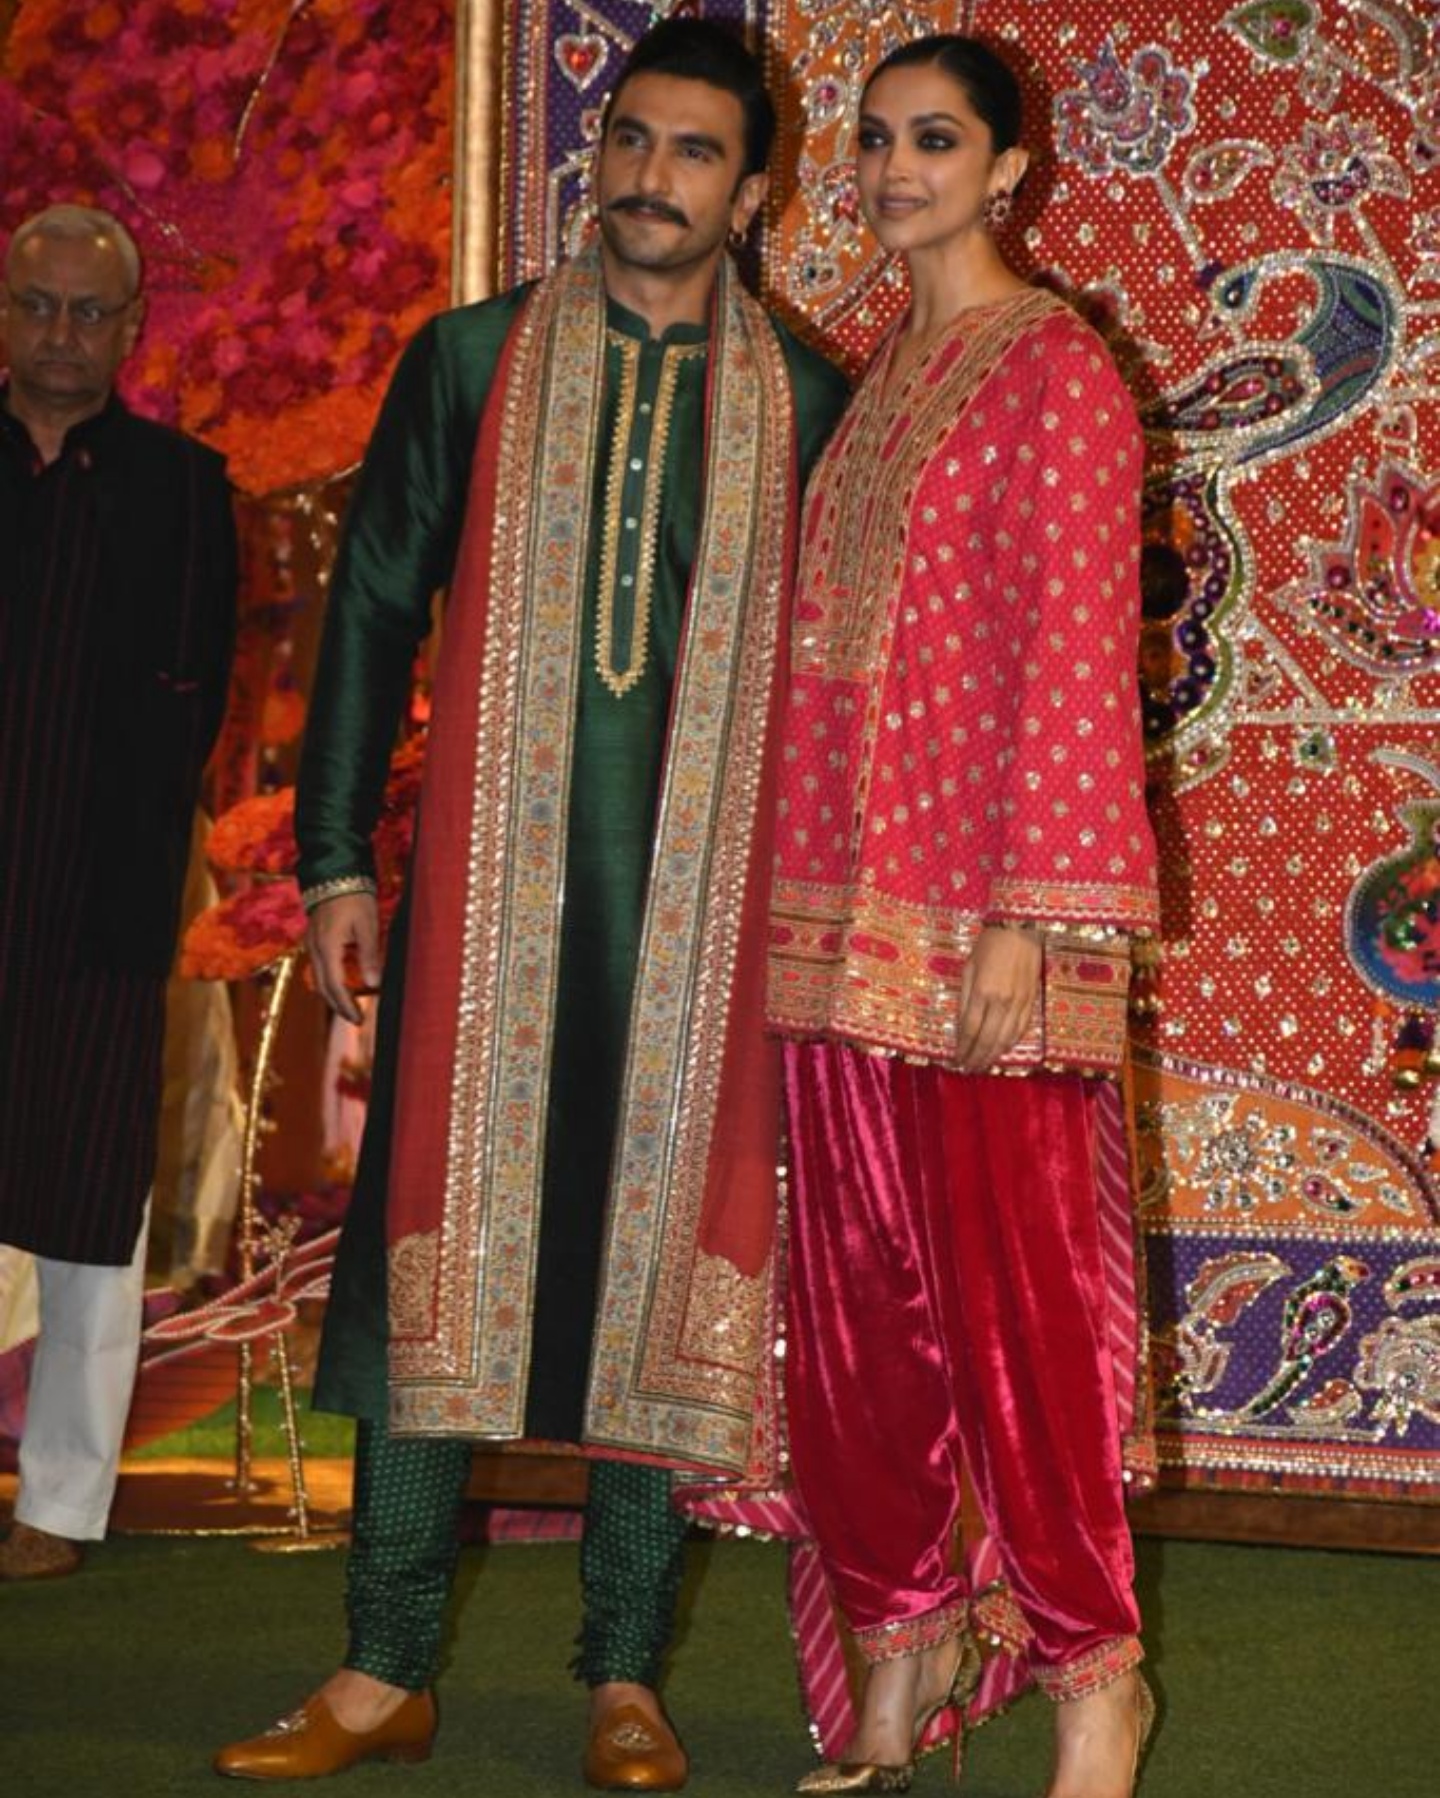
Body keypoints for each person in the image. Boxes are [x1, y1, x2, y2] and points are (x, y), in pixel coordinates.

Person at [214, 19, 847, 1789]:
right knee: (436, 1272)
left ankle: (624, 1677)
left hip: (699, 932)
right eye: (630, 141)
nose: (651, 175)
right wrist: (336, 854)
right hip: (481, 924)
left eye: (695, 152)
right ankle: (381, 1665)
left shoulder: (805, 400)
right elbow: (370, 617)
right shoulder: (472, 359)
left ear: (755, 186)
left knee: (662, 1276)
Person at [767, 36, 1160, 1798]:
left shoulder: (1056, 369)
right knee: (856, 1327)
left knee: (1020, 1327)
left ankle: (1096, 1682)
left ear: (1009, 168)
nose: (894, 166)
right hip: (834, 933)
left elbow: (1077, 655)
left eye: (936, 140)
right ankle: (898, 1643)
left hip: (985, 926)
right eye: (875, 139)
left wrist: (1028, 914)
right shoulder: (874, 383)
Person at [0, 204, 237, 1579]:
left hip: (97, 886)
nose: (63, 335)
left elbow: (190, 698)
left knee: (93, 1198)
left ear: (132, 330)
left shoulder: (177, 486)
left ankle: (62, 1499)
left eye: (92, 313)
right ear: (6, 309)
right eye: (39, 305)